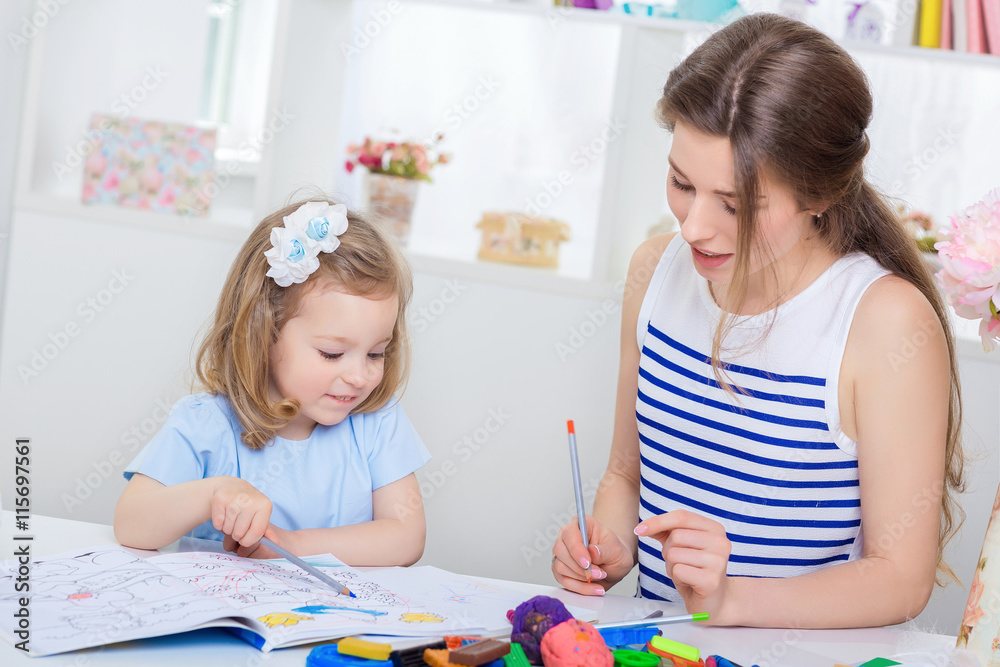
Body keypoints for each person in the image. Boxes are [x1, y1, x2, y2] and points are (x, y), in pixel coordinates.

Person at [551, 13, 965, 628]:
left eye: (735, 204)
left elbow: (899, 578)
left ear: (820, 195)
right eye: (681, 183)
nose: (693, 227)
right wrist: (606, 548)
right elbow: (623, 475)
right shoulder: (654, 273)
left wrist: (732, 600)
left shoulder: (884, 324)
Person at [114, 198, 430, 565]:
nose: (360, 377)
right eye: (331, 353)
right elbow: (130, 524)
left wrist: (291, 546)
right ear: (264, 334)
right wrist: (215, 492)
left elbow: (407, 536)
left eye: (376, 354)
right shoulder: (206, 424)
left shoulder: (377, 421)